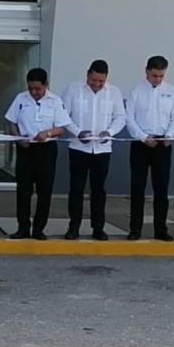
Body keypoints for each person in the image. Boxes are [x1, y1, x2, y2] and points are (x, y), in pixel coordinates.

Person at [61, 60, 126, 241]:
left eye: (101, 81)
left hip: (102, 150)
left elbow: (120, 117)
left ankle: (98, 228)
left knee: (99, 191)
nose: (97, 84)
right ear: (87, 74)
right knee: (76, 189)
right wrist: (77, 132)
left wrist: (110, 132)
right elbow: (64, 116)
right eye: (94, 80)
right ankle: (74, 227)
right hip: (78, 148)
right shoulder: (73, 90)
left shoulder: (114, 93)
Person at [5, 68, 72, 240]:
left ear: (46, 85)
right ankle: (23, 227)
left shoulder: (55, 101)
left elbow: (61, 128)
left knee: (44, 191)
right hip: (25, 148)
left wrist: (48, 133)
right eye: (31, 89)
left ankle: (39, 228)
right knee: (23, 191)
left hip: (46, 149)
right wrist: (17, 138)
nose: (34, 92)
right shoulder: (21, 98)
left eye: (38, 89)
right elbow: (11, 121)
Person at [125, 55, 174, 241]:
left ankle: (161, 229)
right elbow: (129, 118)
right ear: (147, 71)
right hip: (141, 144)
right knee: (137, 188)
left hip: (162, 144)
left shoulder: (172, 91)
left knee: (161, 189)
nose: (157, 79)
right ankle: (135, 229)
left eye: (161, 76)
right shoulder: (136, 91)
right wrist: (142, 137)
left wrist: (170, 135)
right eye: (154, 75)